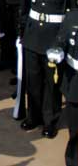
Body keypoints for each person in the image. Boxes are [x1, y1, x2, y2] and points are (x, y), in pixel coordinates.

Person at [19, 0, 77, 138]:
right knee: (33, 80)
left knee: (52, 84)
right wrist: (22, 34)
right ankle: (32, 116)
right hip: (33, 36)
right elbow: (24, 8)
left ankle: (50, 121)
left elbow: (71, 16)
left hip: (55, 40)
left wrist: (64, 43)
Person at [47, 9, 78, 165]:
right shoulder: (73, 16)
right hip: (75, 83)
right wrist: (57, 49)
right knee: (75, 131)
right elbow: (62, 38)